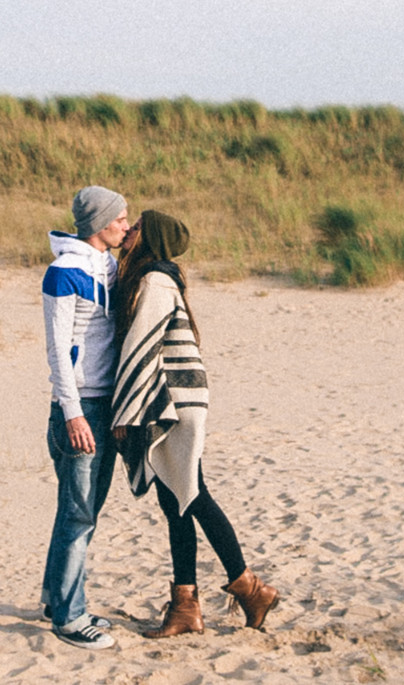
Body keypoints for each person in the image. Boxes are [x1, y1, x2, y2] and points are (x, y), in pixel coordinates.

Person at [110, 210, 282, 637]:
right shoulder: (155, 277)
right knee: (176, 501)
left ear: (150, 237)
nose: (128, 231)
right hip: (170, 398)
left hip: (173, 402)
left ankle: (250, 588)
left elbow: (141, 346)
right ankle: (186, 606)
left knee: (192, 494)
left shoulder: (155, 281)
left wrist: (124, 412)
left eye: (136, 227)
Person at [41, 184, 131, 649]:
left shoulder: (109, 266)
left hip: (105, 404)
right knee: (78, 514)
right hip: (78, 409)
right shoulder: (63, 272)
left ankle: (57, 599)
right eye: (120, 220)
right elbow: (58, 351)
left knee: (82, 512)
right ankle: (70, 619)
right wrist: (73, 414)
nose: (127, 227)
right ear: (98, 224)